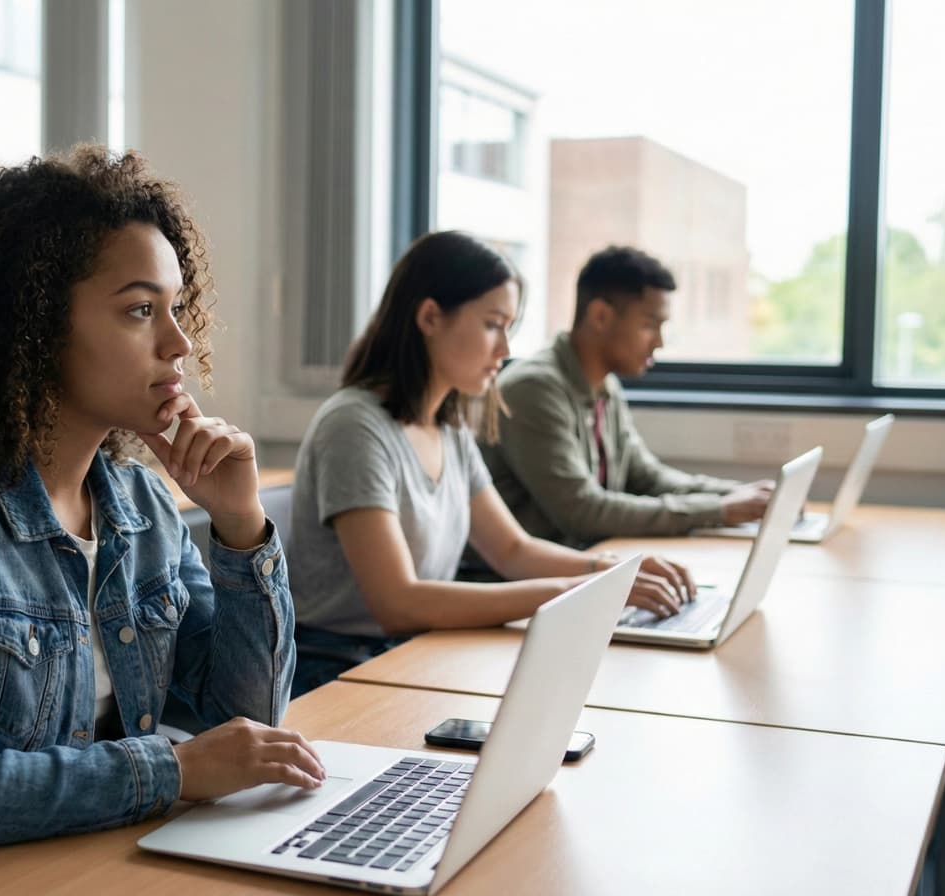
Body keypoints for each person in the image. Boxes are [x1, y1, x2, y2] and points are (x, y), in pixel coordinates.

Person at [0, 146, 321, 893]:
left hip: (92, 859)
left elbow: (245, 725)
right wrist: (172, 770)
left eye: (178, 308)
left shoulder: (140, 504)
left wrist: (241, 529)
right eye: (141, 310)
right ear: (34, 324)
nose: (178, 343)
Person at [288, 232, 695, 696]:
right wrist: (576, 594)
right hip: (337, 671)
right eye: (492, 325)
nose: (504, 350)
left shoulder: (450, 426)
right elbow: (397, 602)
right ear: (430, 317)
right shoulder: (354, 426)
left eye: (510, 328)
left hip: (414, 651)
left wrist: (611, 570)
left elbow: (513, 550)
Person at [481, 245, 772, 547]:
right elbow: (583, 512)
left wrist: (741, 496)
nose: (659, 342)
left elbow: (647, 478)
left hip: (587, 564)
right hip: (524, 582)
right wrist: (719, 510)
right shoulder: (532, 389)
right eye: (649, 325)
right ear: (601, 315)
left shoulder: (605, 388)